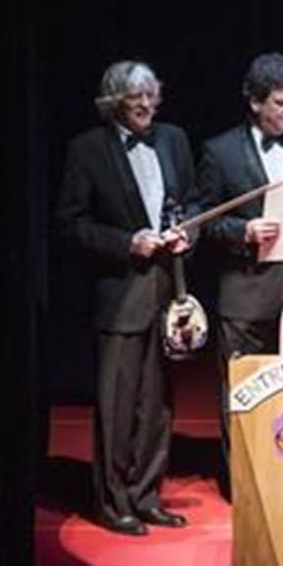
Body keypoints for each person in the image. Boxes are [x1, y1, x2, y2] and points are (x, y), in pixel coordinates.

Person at [55, 60, 200, 535]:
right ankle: (113, 502)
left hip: (167, 290)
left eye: (151, 96)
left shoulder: (174, 139)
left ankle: (146, 494)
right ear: (113, 102)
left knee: (158, 403)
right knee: (118, 404)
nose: (145, 105)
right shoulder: (87, 150)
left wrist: (187, 232)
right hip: (120, 295)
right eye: (135, 98)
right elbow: (71, 225)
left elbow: (193, 203)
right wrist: (125, 242)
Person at [197, 52, 283, 474]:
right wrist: (244, 231)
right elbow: (203, 220)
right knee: (244, 392)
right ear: (255, 102)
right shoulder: (219, 152)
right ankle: (244, 480)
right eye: (281, 103)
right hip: (247, 294)